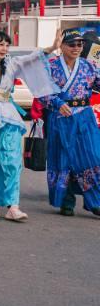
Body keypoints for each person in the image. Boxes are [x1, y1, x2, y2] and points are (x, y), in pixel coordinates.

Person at [0, 31, 59, 222]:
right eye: (0, 45)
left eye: (7, 45)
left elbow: (31, 59)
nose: (4, 49)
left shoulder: (11, 65)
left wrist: (50, 48)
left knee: (11, 160)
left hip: (9, 117)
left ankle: (13, 205)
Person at [39, 28, 100, 217]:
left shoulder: (89, 66)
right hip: (60, 118)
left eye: (80, 44)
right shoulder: (50, 65)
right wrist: (56, 103)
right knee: (63, 157)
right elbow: (41, 91)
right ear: (62, 46)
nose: (76, 47)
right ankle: (66, 201)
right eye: (71, 44)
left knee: (92, 156)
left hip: (84, 116)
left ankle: (95, 201)